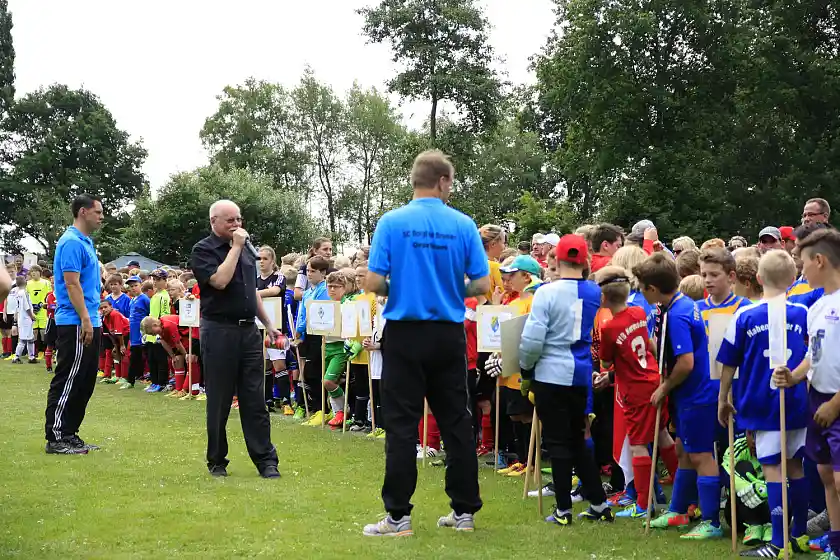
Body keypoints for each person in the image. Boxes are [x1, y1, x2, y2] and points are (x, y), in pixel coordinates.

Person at [362, 150, 489, 537]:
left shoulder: (392, 221)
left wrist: (399, 289)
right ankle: (464, 512)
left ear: (415, 180)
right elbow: (482, 286)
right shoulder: (463, 224)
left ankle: (398, 518)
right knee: (456, 422)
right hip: (448, 333)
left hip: (403, 331)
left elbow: (371, 282)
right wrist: (453, 289)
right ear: (444, 181)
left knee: (401, 425)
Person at [717, 249, 811, 557]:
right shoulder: (802, 312)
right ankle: (798, 534)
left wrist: (723, 398)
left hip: (762, 402)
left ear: (757, 279)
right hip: (796, 399)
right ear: (794, 279)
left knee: (772, 468)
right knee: (795, 467)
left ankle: (779, 542)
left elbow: (728, 362)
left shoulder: (745, 315)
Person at [519, 234, 612, 526]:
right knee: (578, 439)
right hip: (580, 371)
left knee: (558, 442)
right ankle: (598, 503)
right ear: (584, 261)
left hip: (550, 372)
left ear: (557, 259)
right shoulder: (594, 291)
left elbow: (533, 339)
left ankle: (562, 509)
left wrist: (525, 368)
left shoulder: (546, 292)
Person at [190, 199, 282, 479]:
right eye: (230, 220)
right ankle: (217, 460)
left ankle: (266, 460)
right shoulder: (203, 250)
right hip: (218, 330)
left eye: (239, 219)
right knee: (219, 399)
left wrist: (268, 324)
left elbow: (250, 291)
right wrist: (236, 248)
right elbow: (219, 281)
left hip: (248, 332)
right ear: (214, 222)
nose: (237, 225)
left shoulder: (245, 253)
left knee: (254, 399)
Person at [633, 253, 721, 540]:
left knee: (700, 454)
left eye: (642, 287)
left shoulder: (680, 313)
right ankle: (678, 509)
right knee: (683, 451)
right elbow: (663, 347)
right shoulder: (674, 306)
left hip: (697, 393)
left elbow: (685, 362)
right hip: (688, 394)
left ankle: (711, 521)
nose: (641, 292)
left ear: (653, 290)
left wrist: (664, 387)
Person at [773, 228, 840, 560]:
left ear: (820, 260)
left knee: (839, 480)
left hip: (835, 403)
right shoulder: (816, 307)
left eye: (802, 264)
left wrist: (834, 403)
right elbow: (812, 357)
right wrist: (793, 375)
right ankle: (836, 542)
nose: (800, 271)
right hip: (818, 402)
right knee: (827, 475)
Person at [595, 266, 677, 519]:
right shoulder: (639, 311)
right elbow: (649, 344)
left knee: (639, 445)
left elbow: (607, 362)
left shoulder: (609, 327)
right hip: (654, 378)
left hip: (635, 390)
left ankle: (644, 504)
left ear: (604, 298)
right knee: (662, 435)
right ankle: (684, 490)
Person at [44, 194, 104, 455]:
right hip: (75, 320)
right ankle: (56, 436)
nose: (102, 217)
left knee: (85, 379)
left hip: (91, 318)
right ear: (83, 212)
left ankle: (70, 433)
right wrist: (85, 318)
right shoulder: (70, 242)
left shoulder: (86, 242)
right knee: (68, 377)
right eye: (98, 212)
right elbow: (71, 283)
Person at [256, 246, 289, 413]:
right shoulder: (255, 279)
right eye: (259, 259)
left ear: (272, 261)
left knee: (279, 364)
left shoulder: (278, 277)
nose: (261, 262)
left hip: (276, 328)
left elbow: (275, 291)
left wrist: (254, 294)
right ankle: (267, 400)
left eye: (265, 258)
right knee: (265, 364)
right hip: (259, 327)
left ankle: (286, 401)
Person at [144, 269, 171, 393]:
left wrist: (161, 333)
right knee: (151, 359)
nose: (155, 282)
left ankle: (162, 382)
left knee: (160, 359)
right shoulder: (154, 295)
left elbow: (165, 315)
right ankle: (154, 382)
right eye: (154, 279)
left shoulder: (164, 296)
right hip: (150, 333)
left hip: (158, 332)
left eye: (158, 279)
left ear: (165, 280)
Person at [98, 300, 130, 386]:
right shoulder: (104, 318)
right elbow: (109, 334)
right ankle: (117, 375)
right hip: (116, 337)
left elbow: (119, 332)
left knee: (123, 354)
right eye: (101, 308)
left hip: (126, 334)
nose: (104, 309)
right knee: (116, 353)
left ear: (111, 307)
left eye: (105, 307)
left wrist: (122, 345)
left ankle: (124, 377)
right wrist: (115, 346)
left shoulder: (114, 314)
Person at [125, 276, 149, 390]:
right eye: (131, 286)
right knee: (134, 356)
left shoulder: (144, 299)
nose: (133, 288)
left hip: (141, 333)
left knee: (139, 356)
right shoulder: (132, 300)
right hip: (133, 334)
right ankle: (133, 379)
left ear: (141, 285)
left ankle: (132, 380)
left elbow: (149, 315)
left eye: (135, 285)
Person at [294, 237, 333, 301]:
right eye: (325, 249)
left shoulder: (333, 271)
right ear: (315, 251)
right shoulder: (305, 268)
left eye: (330, 249)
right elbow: (297, 294)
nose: (328, 252)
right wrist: (314, 295)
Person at [11, 275, 36, 364]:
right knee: (23, 339)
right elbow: (26, 306)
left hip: (22, 318)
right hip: (26, 318)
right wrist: (31, 315)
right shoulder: (23, 293)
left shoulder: (18, 293)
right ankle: (16, 357)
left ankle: (31, 357)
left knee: (30, 338)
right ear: (25, 282)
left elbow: (17, 307)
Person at [27, 264, 50, 358]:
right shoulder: (28, 283)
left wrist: (41, 304)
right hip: (32, 311)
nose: (33, 273)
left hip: (43, 309)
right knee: (34, 331)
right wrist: (30, 306)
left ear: (40, 272)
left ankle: (44, 350)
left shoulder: (45, 283)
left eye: (35, 271)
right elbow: (26, 296)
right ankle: (35, 351)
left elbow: (49, 295)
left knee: (43, 331)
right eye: (32, 271)